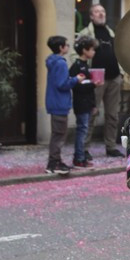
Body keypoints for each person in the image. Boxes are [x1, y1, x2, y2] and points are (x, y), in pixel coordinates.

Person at [75, 4, 126, 158]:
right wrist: (83, 72)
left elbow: (120, 53)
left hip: (114, 78)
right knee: (91, 113)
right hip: (95, 80)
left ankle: (110, 146)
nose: (101, 14)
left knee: (112, 115)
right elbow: (74, 54)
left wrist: (121, 73)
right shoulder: (86, 33)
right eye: (97, 12)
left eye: (103, 11)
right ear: (91, 16)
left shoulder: (111, 33)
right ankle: (84, 148)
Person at [44, 36, 84, 174]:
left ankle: (55, 161)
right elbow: (62, 84)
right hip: (60, 103)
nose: (68, 47)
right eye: (66, 45)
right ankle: (54, 163)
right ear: (61, 47)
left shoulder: (52, 61)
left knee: (57, 133)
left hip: (54, 101)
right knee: (59, 134)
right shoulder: (60, 63)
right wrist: (75, 80)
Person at [69, 36, 98, 168]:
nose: (94, 52)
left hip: (87, 103)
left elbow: (89, 88)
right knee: (82, 130)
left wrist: (93, 104)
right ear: (84, 50)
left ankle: (81, 156)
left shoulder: (86, 66)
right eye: (92, 49)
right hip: (80, 103)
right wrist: (93, 85)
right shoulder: (77, 66)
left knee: (84, 130)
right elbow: (76, 87)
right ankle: (79, 158)